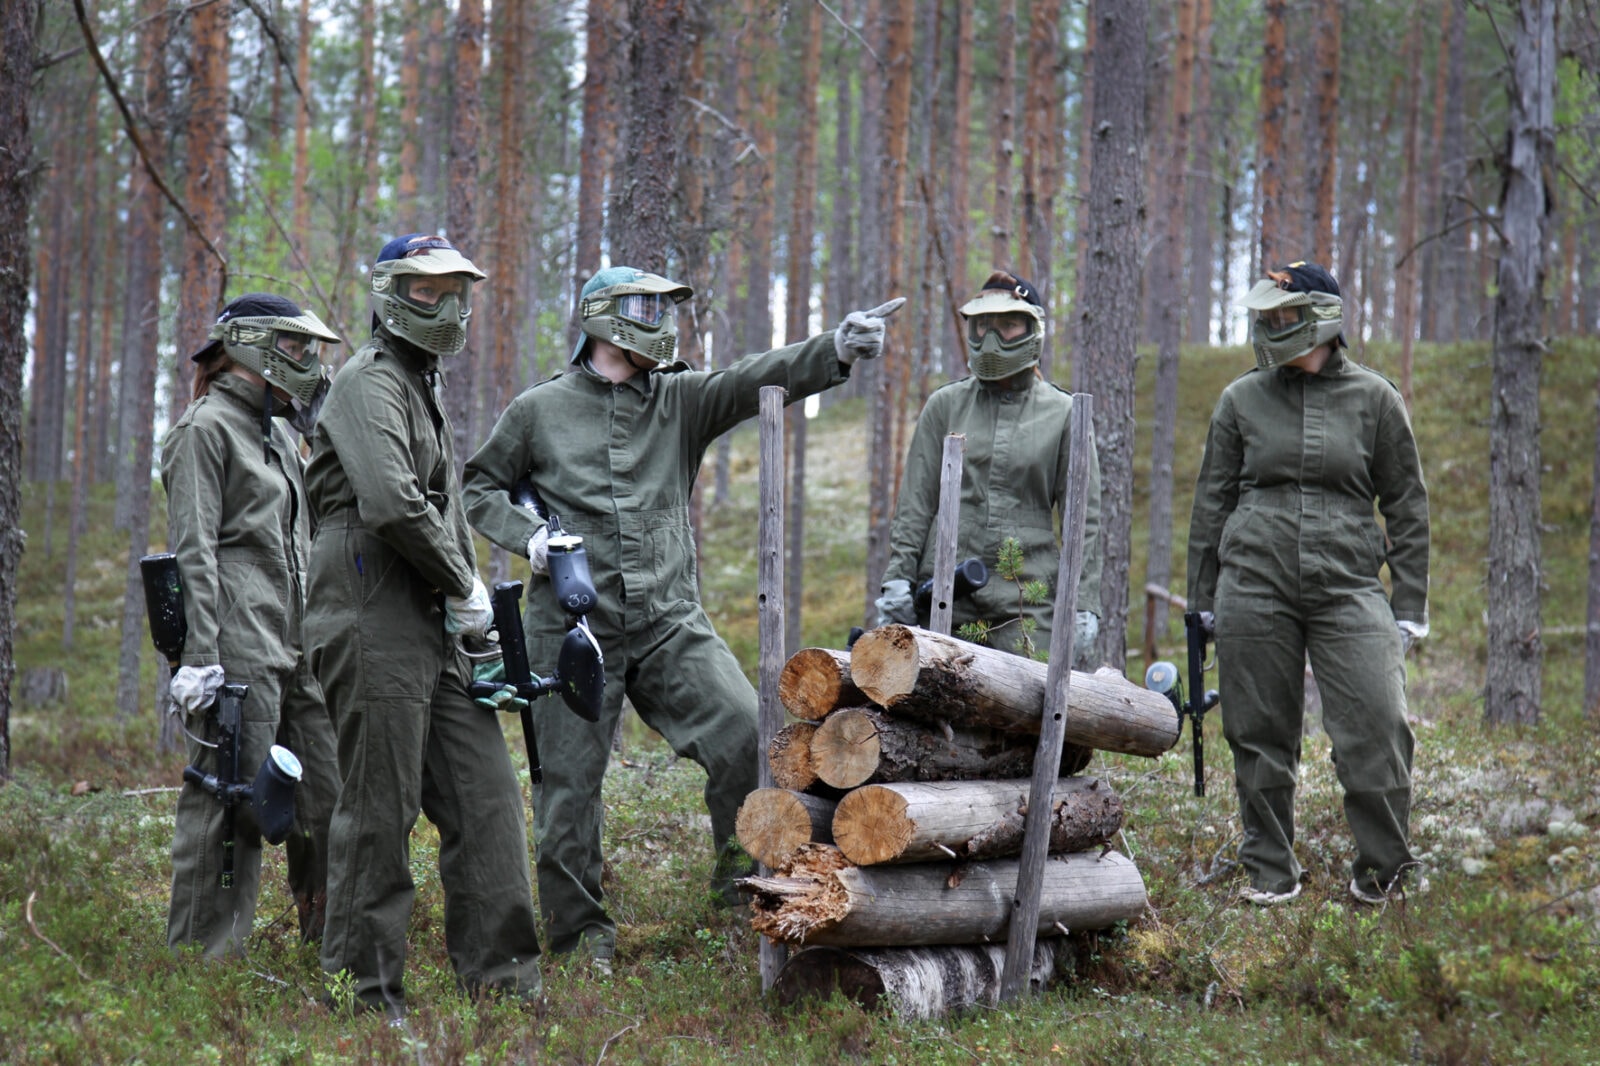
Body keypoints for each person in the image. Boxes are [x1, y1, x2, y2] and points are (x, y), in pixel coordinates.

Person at [462, 264, 901, 971]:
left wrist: (837, 351)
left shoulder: (681, 400)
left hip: (669, 620)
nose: (662, 322)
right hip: (572, 629)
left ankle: (738, 896)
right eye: (645, 307)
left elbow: (755, 375)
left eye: (665, 308)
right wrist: (530, 539)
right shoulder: (538, 410)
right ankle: (583, 945)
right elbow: (478, 487)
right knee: (567, 794)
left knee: (745, 737)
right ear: (604, 317)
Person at [302, 234, 542, 1013]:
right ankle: (364, 993)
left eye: (455, 290)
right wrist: (466, 585)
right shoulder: (367, 383)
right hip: (371, 607)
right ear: (390, 293)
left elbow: (437, 507)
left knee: (487, 799)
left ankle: (503, 983)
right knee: (379, 809)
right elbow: (393, 505)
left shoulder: (419, 383)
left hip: (431, 618)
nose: (446, 305)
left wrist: (469, 610)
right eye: (427, 290)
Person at [1186, 260, 1430, 907]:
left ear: (1322, 317)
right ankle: (1271, 870)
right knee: (1258, 730)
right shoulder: (1240, 399)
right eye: (1265, 316)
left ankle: (1385, 872)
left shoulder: (1375, 399)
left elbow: (1406, 502)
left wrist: (1409, 606)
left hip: (1349, 584)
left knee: (1378, 725)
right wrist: (1201, 600)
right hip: (1252, 584)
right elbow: (1211, 503)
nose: (1271, 326)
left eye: (1284, 315)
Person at [161, 292, 343, 955]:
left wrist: (322, 430)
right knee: (230, 808)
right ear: (254, 348)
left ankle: (331, 947)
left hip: (297, 644)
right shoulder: (204, 430)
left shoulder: (276, 435)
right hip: (236, 650)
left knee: (329, 797)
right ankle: (204, 974)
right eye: (297, 349)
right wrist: (199, 655)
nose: (308, 363)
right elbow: (193, 552)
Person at [877, 271, 1103, 670]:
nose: (992, 339)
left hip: (1026, 602)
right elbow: (915, 504)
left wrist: (1083, 605)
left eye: (1007, 325)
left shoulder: (1065, 413)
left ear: (1033, 330)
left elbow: (1083, 521)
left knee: (1022, 719)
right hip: (945, 595)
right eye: (983, 326)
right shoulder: (945, 405)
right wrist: (898, 579)